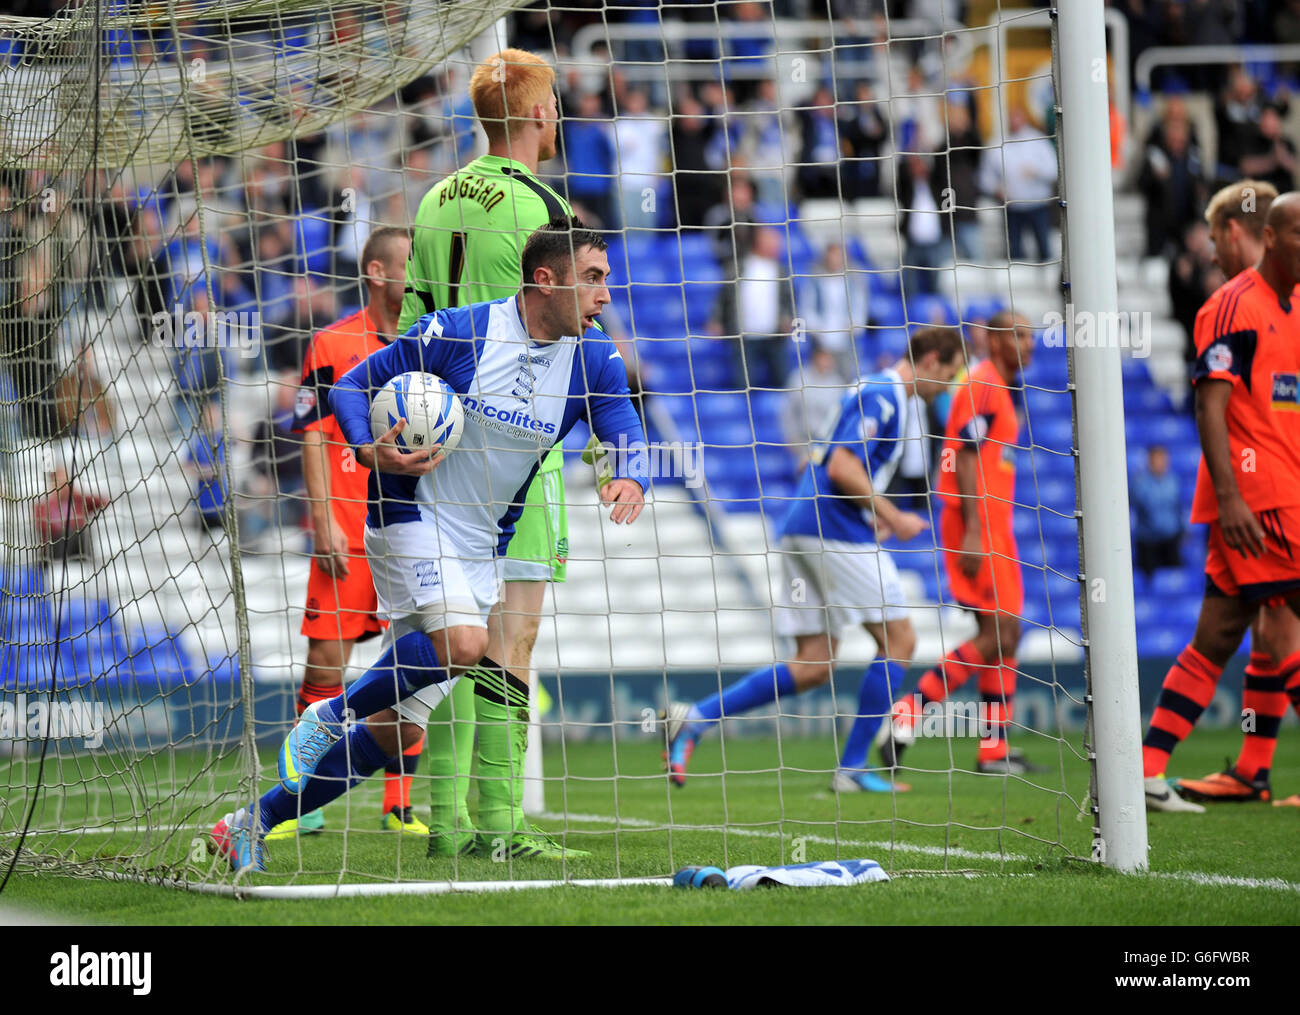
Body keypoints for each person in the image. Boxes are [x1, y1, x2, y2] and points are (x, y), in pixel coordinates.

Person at [211, 220, 648, 873]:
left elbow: (623, 423)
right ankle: (331, 711)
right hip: (407, 513)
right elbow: (352, 385)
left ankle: (250, 821)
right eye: (593, 277)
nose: (605, 294)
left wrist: (632, 471)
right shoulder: (462, 332)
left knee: (398, 731)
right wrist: (365, 446)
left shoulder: (594, 357)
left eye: (606, 279)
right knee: (469, 646)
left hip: (480, 547)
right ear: (546, 280)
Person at [399, 50, 588, 859]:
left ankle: (446, 822)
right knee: (512, 634)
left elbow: (407, 321)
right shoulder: (543, 207)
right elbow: (570, 324)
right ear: (540, 115)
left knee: (454, 633)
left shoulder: (436, 198)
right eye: (554, 104)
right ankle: (504, 824)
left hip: (440, 441)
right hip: (515, 440)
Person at [663, 327, 965, 792]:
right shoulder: (886, 395)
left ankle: (697, 719)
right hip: (833, 530)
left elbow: (815, 462)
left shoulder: (872, 389)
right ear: (929, 361)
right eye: (946, 375)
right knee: (900, 640)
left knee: (814, 662)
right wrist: (892, 516)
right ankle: (852, 769)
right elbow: (842, 466)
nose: (945, 387)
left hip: (803, 526)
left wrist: (872, 511)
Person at [1144, 184, 1300, 811]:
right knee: (1274, 626)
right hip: (1258, 500)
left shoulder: (1291, 305)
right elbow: (1211, 401)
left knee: (1225, 634)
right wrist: (1233, 496)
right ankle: (1220, 770)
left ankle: (1159, 770)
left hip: (1280, 492)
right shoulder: (1231, 305)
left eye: (1215, 238)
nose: (1212, 252)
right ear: (1266, 235)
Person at [271, 226, 418, 842]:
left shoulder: (425, 340)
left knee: (415, 667)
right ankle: (304, 797)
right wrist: (323, 517)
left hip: (411, 530)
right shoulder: (333, 342)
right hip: (348, 530)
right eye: (411, 263)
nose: (420, 274)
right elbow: (308, 431)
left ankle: (400, 806)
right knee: (327, 661)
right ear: (379, 272)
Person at [880, 312, 1044, 775]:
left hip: (993, 524)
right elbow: (967, 457)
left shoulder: (999, 386)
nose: (1028, 343)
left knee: (1005, 636)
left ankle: (994, 748)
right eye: (1018, 334)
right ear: (992, 341)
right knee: (1002, 633)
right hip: (976, 524)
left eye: (1031, 335)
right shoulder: (984, 383)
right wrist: (973, 529)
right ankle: (911, 708)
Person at [1130, 445, 1184, 579]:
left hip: (1171, 538)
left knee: (1174, 576)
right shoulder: (1140, 483)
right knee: (1148, 578)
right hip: (1148, 541)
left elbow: (1177, 507)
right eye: (1156, 459)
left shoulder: (1173, 481)